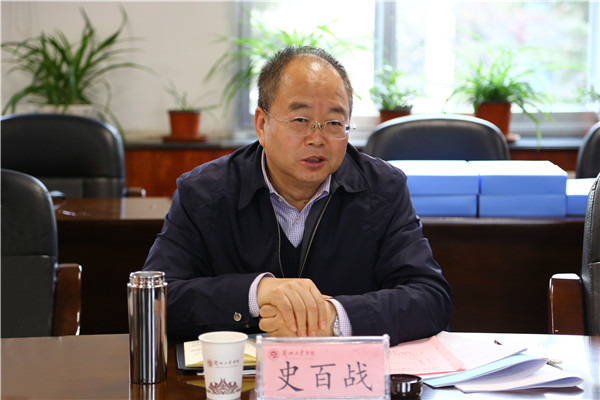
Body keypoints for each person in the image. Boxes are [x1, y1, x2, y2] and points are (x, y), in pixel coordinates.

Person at [143, 46, 452, 346]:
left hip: (344, 375)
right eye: (301, 120)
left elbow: (430, 297)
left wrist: (333, 320)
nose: (317, 138)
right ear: (262, 125)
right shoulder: (204, 192)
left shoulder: (383, 188)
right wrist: (256, 293)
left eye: (334, 123)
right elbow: (155, 298)